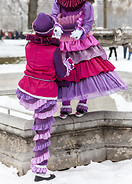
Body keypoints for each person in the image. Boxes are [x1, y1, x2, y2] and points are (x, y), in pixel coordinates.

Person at [51, 0, 128, 119]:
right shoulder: (58, 3)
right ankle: (65, 104)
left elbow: (88, 22)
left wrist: (82, 31)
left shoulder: (86, 5)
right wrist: (56, 26)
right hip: (64, 43)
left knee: (84, 72)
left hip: (81, 43)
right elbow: (53, 16)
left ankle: (82, 102)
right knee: (64, 73)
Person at [16, 12, 74, 182]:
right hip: (45, 93)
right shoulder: (54, 50)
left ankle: (39, 166)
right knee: (43, 131)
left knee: (39, 126)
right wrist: (68, 64)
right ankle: (40, 169)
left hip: (28, 88)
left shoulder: (28, 46)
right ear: (50, 31)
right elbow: (61, 73)